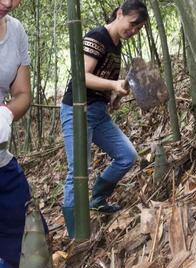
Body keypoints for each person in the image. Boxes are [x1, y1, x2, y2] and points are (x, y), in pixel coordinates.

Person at [61, 0, 148, 238]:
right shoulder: (98, 36)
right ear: (120, 14)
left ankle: (97, 199)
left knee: (127, 156)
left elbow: (103, 81)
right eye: (132, 24)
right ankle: (76, 233)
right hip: (77, 111)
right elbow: (82, 76)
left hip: (98, 112)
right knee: (78, 170)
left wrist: (114, 95)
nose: (133, 31)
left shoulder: (116, 45)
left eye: (138, 29)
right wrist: (112, 84)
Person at [0, 0, 34, 268]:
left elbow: (23, 92)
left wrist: (6, 114)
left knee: (28, 232)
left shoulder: (17, 30)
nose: (8, 3)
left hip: (0, 158)